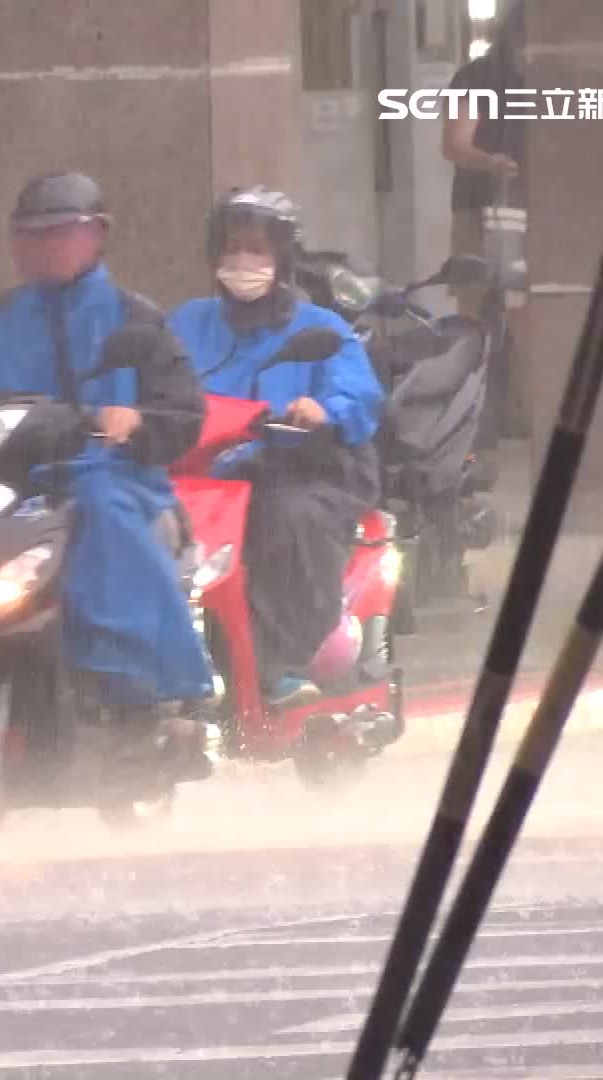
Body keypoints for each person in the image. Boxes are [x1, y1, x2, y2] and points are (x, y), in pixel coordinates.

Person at [0, 170, 216, 730]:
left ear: (98, 234)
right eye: (29, 235)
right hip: (8, 482)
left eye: (60, 232)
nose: (44, 246)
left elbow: (183, 411)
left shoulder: (134, 319)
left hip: (106, 474)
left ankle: (153, 685)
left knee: (105, 513)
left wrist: (138, 422)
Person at [168, 186, 384, 706]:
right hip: (205, 474)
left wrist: (325, 410)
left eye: (256, 249)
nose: (243, 260)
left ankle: (285, 662)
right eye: (232, 248)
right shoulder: (186, 323)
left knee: (284, 516)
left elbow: (358, 393)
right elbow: (152, 377)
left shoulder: (322, 329)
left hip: (308, 468)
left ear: (282, 259)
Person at [443, 1, 531, 442]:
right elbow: (456, 145)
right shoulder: (477, 77)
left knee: (523, 315)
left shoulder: (549, 78)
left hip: (532, 212)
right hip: (480, 207)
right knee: (476, 315)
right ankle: (471, 420)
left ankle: (522, 417)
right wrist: (491, 162)